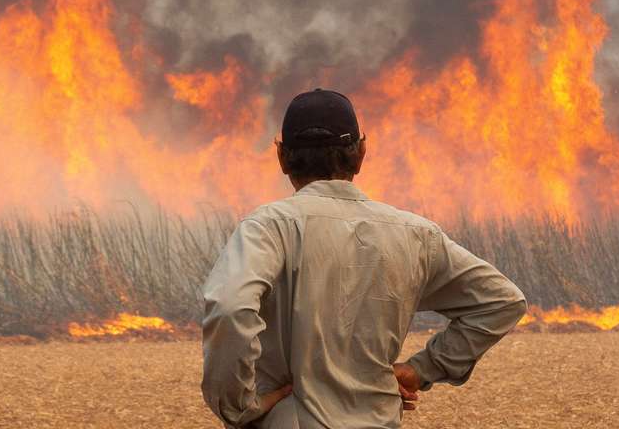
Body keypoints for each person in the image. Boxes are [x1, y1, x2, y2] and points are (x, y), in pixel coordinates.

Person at [201, 88, 527, 429]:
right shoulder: (415, 234)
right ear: (360, 154)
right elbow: (501, 301)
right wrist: (422, 369)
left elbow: (230, 307)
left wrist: (240, 406)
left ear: (282, 157)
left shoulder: (268, 228)